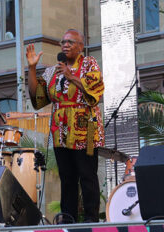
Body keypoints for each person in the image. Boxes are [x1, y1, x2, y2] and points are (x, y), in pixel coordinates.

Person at [26, 29, 105, 223]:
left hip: (84, 128)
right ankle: (68, 220)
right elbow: (37, 98)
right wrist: (32, 69)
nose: (65, 45)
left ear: (81, 46)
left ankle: (91, 219)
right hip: (59, 130)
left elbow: (95, 92)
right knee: (67, 177)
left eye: (70, 42)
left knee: (87, 174)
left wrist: (71, 77)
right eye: (63, 42)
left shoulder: (89, 63)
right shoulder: (53, 70)